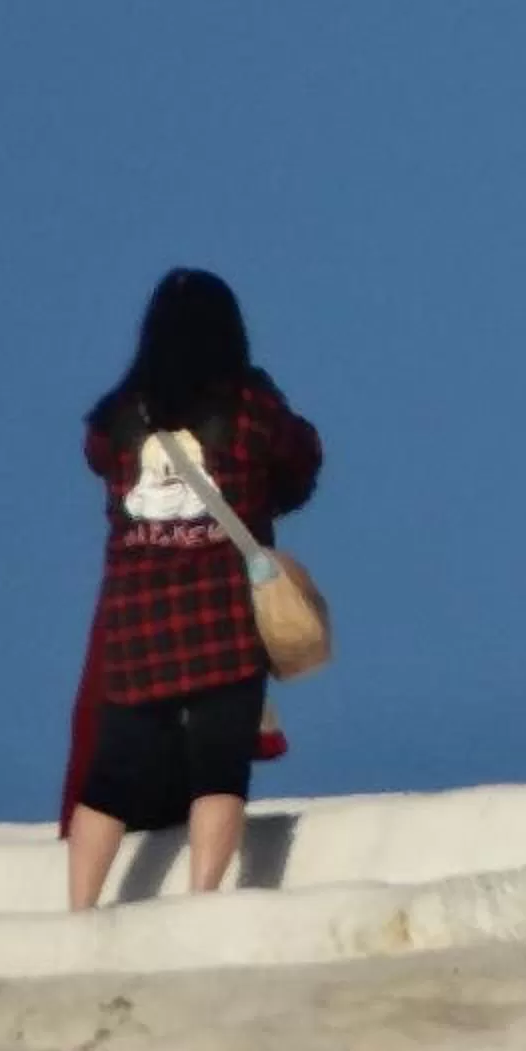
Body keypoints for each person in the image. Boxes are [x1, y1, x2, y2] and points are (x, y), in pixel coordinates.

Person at [62, 268, 323, 910]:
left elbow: (98, 457)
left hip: (137, 620)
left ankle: (79, 908)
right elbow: (300, 460)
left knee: (111, 774)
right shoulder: (251, 409)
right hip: (223, 614)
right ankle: (203, 898)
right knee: (219, 767)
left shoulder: (117, 419)